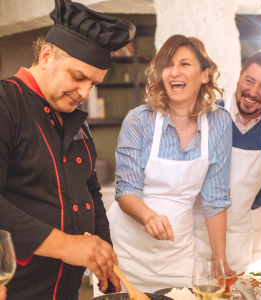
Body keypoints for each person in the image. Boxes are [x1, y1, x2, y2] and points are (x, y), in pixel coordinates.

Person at [0, 0, 135, 299]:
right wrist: (68, 245)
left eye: (94, 83)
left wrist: (104, 255)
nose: (85, 93)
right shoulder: (6, 101)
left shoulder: (75, 121)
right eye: (78, 77)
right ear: (46, 55)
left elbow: (91, 192)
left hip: (65, 290)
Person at [110, 34, 233, 292]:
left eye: (185, 64)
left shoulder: (219, 123)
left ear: (205, 75)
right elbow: (126, 190)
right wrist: (148, 216)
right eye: (167, 65)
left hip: (177, 256)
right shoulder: (139, 120)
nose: (174, 72)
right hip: (127, 255)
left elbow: (215, 199)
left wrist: (219, 258)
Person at [193, 50, 261, 271]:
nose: (253, 92)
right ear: (239, 75)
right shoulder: (204, 116)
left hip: (237, 242)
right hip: (194, 236)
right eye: (249, 81)